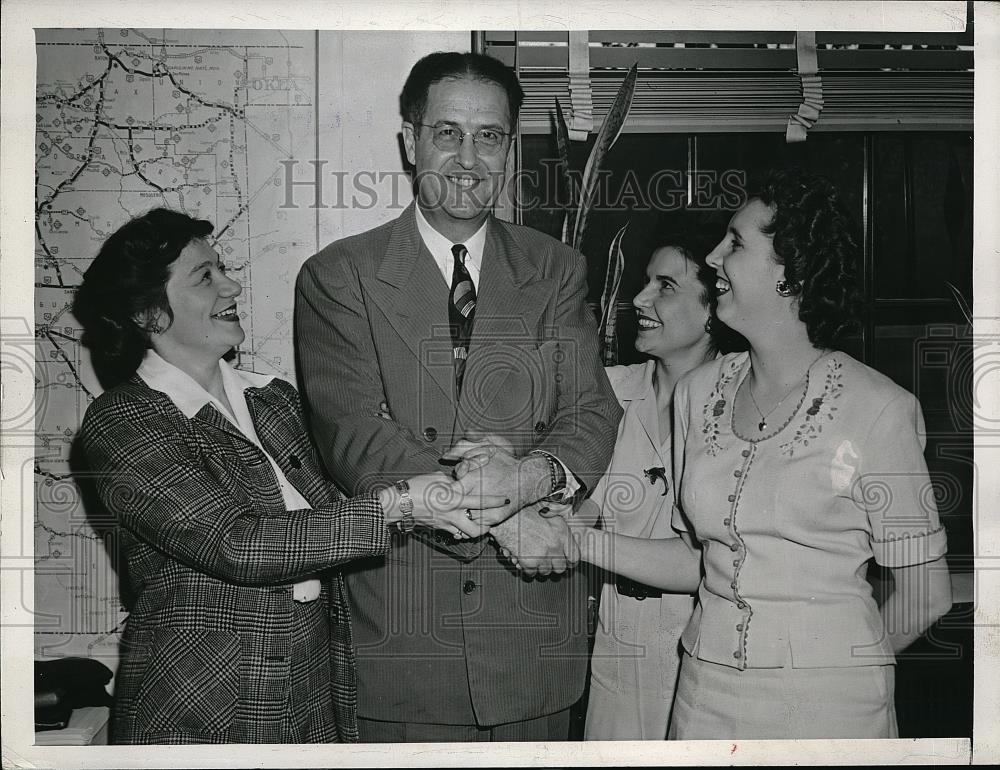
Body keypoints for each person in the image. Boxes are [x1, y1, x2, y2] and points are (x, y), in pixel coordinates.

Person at [74, 208, 508, 744]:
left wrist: (475, 489)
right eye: (204, 276)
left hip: (312, 685)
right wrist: (400, 503)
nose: (231, 285)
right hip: (205, 705)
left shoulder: (273, 400)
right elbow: (238, 543)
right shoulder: (124, 421)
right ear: (146, 313)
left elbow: (340, 510)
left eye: (222, 267)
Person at [294, 51, 621, 742]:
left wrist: (528, 474)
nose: (469, 158)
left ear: (510, 148)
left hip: (531, 639)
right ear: (410, 142)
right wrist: (503, 516)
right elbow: (356, 437)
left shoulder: (557, 269)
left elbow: (589, 410)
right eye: (448, 133)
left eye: (490, 136)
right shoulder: (339, 277)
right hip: (407, 646)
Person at [572, 168, 953, 739]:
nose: (714, 255)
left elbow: (925, 596)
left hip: (830, 711)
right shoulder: (700, 395)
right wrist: (571, 538)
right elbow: (692, 558)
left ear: (790, 275)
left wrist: (839, 667)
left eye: (735, 243)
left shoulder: (878, 410)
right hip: (702, 696)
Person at [579, 219, 734, 740]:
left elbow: (707, 563)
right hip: (618, 657)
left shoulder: (742, 407)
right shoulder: (611, 393)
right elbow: (577, 499)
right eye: (645, 281)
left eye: (665, 286)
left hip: (706, 661)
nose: (639, 299)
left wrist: (571, 540)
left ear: (714, 308)